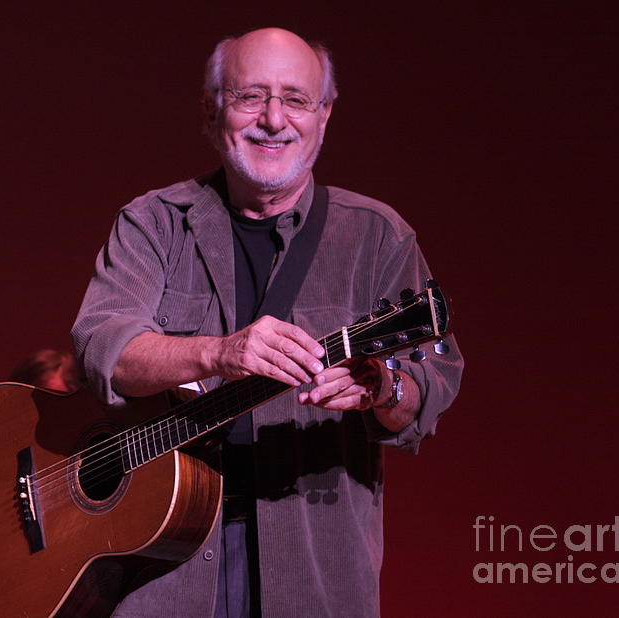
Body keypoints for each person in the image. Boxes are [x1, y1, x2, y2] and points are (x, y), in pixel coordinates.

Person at [72, 27, 463, 618]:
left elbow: (431, 383)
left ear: (324, 115)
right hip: (159, 566)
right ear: (212, 109)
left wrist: (384, 387)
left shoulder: (377, 235)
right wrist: (216, 352)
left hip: (316, 567)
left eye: (296, 99)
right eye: (250, 96)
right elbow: (102, 345)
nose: (273, 120)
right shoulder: (154, 222)